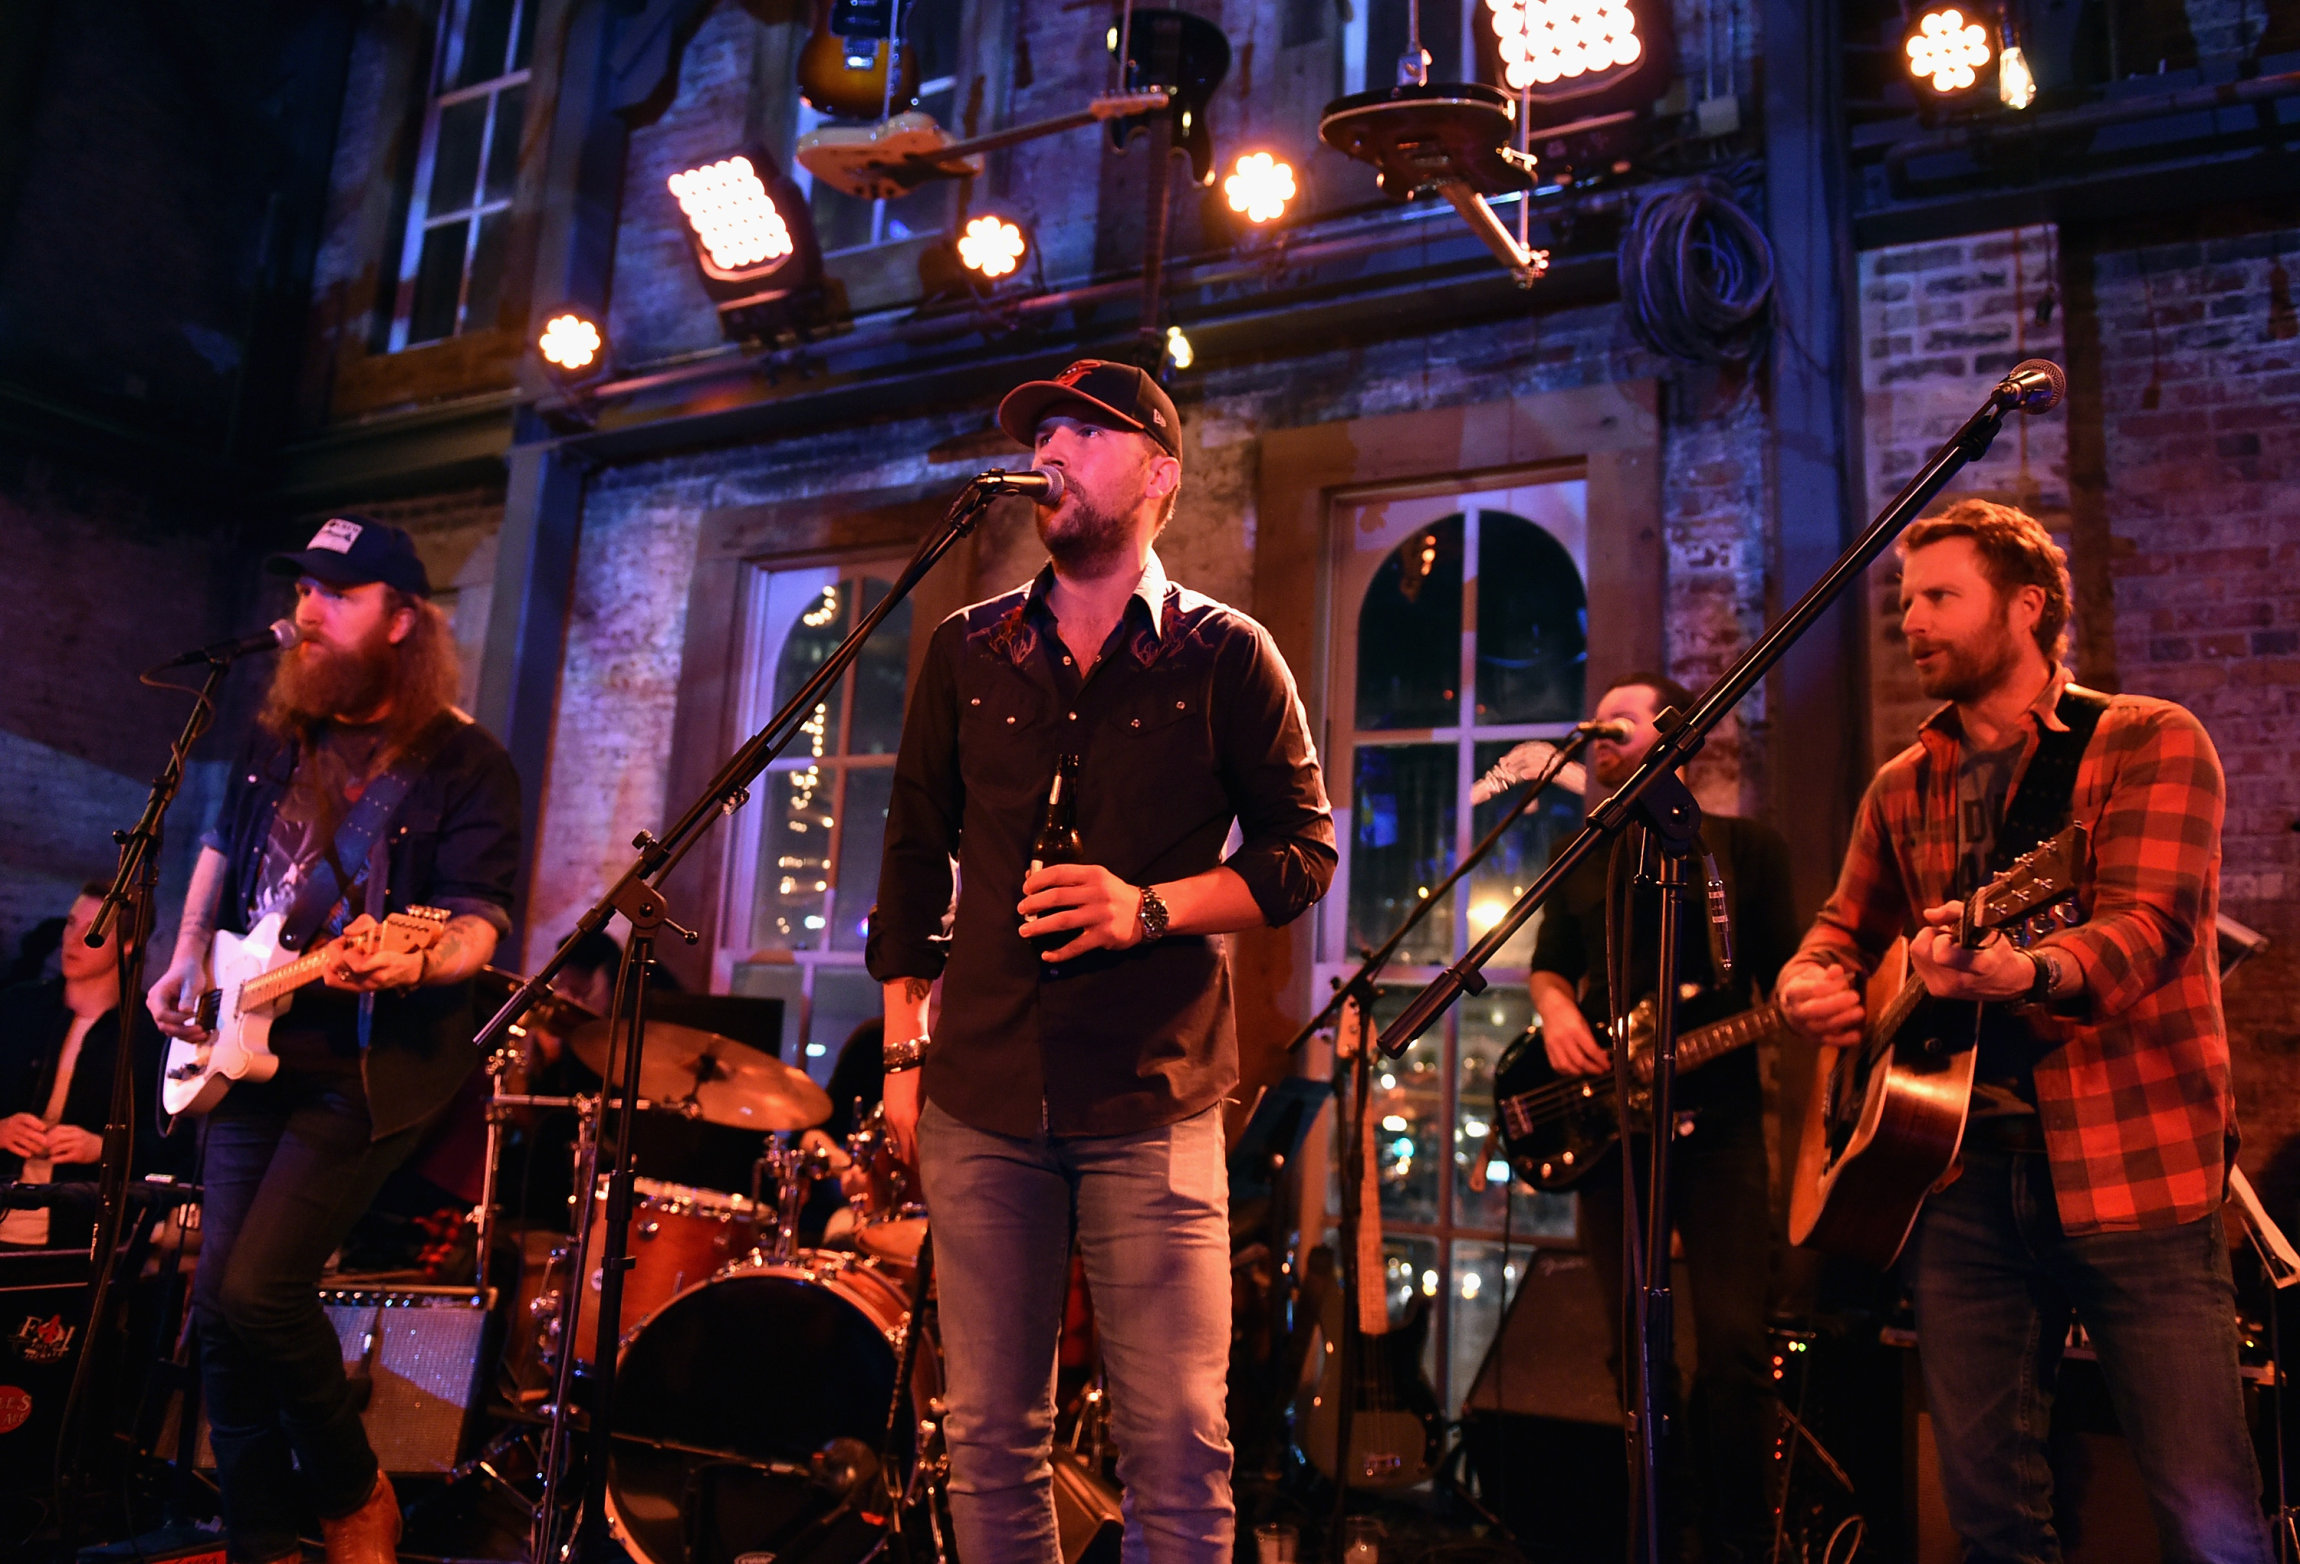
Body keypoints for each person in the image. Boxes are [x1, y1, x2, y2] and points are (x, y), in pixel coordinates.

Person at [868, 360, 1335, 1564]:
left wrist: (1147, 908)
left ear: (1160, 475)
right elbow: (912, 858)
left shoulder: (1227, 654)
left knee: (1177, 1444)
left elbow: (1301, 854)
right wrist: (902, 1051)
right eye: (1043, 432)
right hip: (977, 1093)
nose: (1054, 448)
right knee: (986, 1439)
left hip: (1152, 1097)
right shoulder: (967, 649)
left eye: (1085, 429)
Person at [1777, 499, 2271, 1563]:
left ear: (2026, 605)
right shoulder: (1900, 785)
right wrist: (1808, 982)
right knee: (1991, 1515)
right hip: (1949, 1184)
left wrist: (2024, 967)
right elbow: (1838, 930)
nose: (1910, 619)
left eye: (1938, 597)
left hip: (2130, 1174)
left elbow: (2142, 926)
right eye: (1904, 599)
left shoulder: (2146, 740)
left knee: (2207, 1518)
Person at [147, 517, 522, 1564]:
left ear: (402, 620)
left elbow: (479, 920)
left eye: (338, 593)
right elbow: (224, 846)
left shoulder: (465, 761)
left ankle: (357, 1496)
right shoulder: (278, 732)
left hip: (362, 1066)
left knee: (262, 1288)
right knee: (218, 1309)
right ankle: (260, 1535)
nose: (307, 608)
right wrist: (184, 957)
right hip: (243, 1039)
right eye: (304, 588)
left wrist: (416, 959)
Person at [1524, 674, 1796, 1562]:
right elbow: (1549, 968)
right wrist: (1560, 1015)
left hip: (1720, 1135)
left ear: (1679, 737)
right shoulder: (1584, 857)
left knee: (1733, 1349)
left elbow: (1796, 982)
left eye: (1622, 723)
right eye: (1596, 725)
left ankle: (1743, 1542)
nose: (1600, 736)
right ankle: (1662, 1539)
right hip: (1612, 1140)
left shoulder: (1745, 852)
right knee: (1634, 1357)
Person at [0, 881, 179, 1249]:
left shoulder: (149, 1037)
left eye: (94, 929)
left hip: (78, 1236)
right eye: (69, 924)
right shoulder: (18, 1008)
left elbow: (173, 1147)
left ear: (129, 945)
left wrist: (103, 1148)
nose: (73, 939)